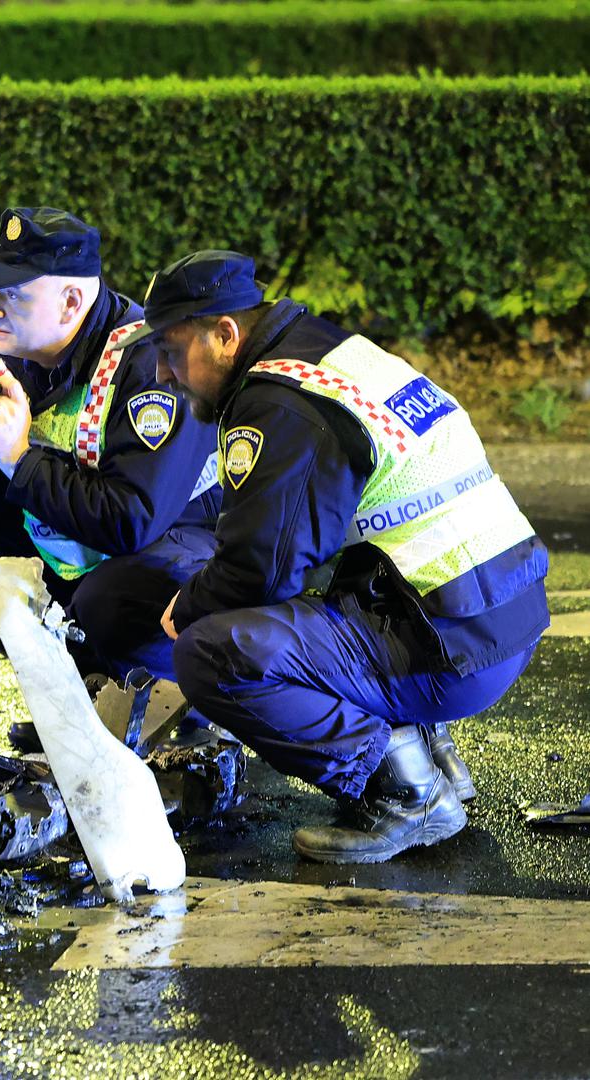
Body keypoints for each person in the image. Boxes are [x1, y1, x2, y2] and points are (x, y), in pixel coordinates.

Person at [131, 249, 549, 863]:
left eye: (169, 351)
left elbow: (260, 568)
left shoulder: (276, 402)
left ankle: (406, 793)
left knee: (211, 651)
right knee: (315, 601)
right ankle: (432, 757)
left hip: (453, 654)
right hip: (499, 617)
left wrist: (189, 602)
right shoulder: (326, 348)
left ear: (225, 335)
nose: (162, 374)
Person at [0, 207, 222, 685]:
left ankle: (174, 699)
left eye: (11, 294)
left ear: (71, 302)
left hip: (178, 553)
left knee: (106, 600)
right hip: (80, 550)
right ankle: (72, 692)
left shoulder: (151, 365)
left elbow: (131, 521)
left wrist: (18, 460)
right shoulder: (9, 349)